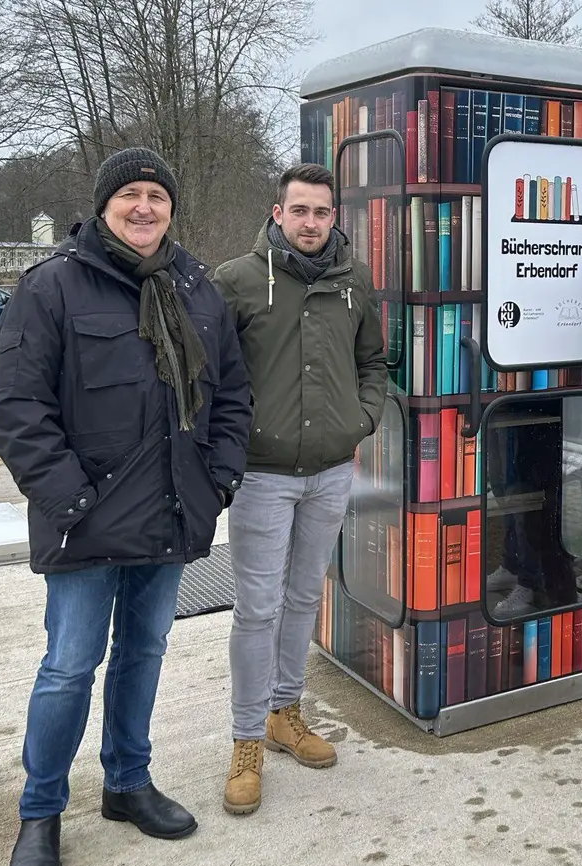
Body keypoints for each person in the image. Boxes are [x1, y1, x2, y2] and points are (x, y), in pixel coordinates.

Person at [0, 147, 252, 866]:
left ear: (172, 208)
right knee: (69, 667)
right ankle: (40, 812)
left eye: (157, 196)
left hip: (170, 514)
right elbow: (18, 410)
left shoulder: (194, 289)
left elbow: (231, 393)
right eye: (131, 195)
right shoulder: (51, 288)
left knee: (144, 652)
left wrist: (219, 478)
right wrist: (69, 499)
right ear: (104, 204)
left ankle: (127, 783)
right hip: (86, 523)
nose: (145, 207)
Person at [210, 163, 387, 816]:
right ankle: (246, 740)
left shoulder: (354, 281)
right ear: (277, 212)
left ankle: (286, 712)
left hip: (330, 472)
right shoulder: (235, 282)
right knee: (256, 606)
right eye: (300, 210)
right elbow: (209, 379)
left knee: (302, 596)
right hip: (261, 476)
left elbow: (374, 362)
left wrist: (361, 418)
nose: (311, 223)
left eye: (322, 212)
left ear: (334, 217)